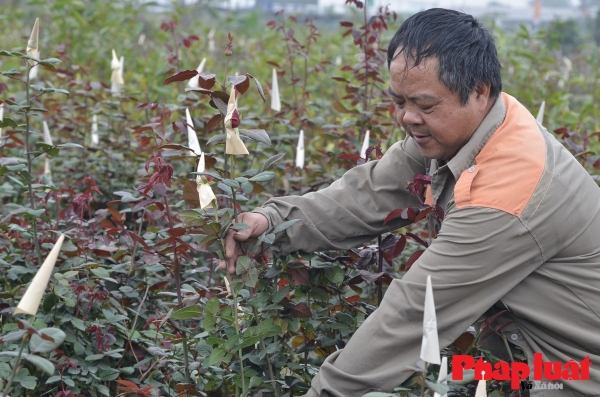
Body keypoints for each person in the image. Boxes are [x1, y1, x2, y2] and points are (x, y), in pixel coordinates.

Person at [221, 8, 600, 397]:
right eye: (399, 101)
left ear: (480, 90)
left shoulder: (507, 192)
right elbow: (364, 196)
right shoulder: (478, 127)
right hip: (527, 363)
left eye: (425, 105)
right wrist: (272, 222)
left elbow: (416, 312)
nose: (407, 117)